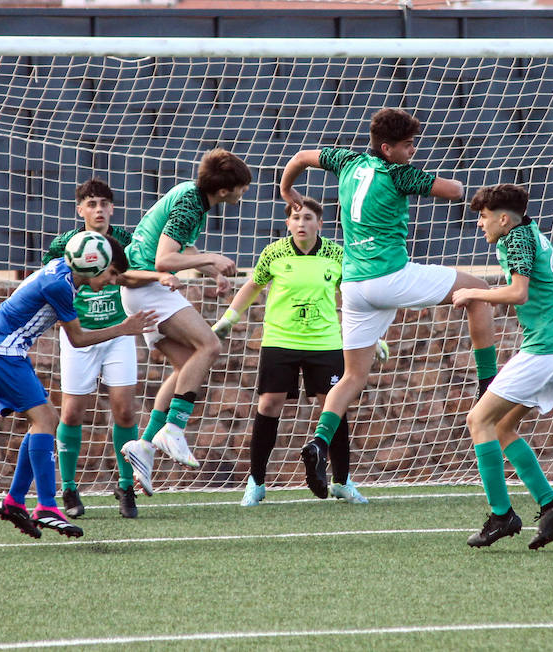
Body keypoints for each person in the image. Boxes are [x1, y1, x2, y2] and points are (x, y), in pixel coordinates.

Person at [280, 107, 498, 499]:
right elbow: (455, 190)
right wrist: (451, 184)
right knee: (478, 292)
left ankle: (318, 443)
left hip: (356, 286)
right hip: (390, 278)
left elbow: (297, 158)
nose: (413, 150)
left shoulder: (346, 159)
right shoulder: (399, 175)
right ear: (387, 147)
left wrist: (288, 191)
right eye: (407, 145)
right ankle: (487, 383)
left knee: (352, 377)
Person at [0, 230, 156, 540]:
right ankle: (46, 505)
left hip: (6, 350)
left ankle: (15, 500)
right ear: (93, 266)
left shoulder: (63, 271)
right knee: (47, 420)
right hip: (1, 352)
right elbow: (79, 338)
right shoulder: (60, 285)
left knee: (43, 421)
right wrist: (125, 328)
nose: (113, 280)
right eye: (111, 273)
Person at [212, 196, 367, 506]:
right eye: (296, 218)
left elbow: (353, 296)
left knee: (333, 406)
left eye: (308, 218)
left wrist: (373, 335)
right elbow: (252, 286)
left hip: (325, 342)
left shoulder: (338, 255)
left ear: (320, 223)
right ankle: (255, 483)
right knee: (269, 405)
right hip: (279, 340)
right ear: (287, 223)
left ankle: (342, 481)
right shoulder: (274, 253)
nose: (301, 223)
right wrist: (228, 318)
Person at [44, 178, 180, 520]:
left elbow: (134, 273)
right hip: (82, 336)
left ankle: (124, 485)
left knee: (125, 411)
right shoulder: (65, 244)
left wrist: (158, 277)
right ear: (80, 210)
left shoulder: (125, 240)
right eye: (91, 204)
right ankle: (70, 487)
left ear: (113, 208)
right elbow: (51, 283)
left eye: (104, 203)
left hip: (120, 333)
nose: (98, 209)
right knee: (72, 413)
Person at [118, 148, 252, 493]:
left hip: (143, 289)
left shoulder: (190, 196)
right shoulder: (191, 204)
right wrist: (213, 257)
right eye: (242, 187)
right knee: (209, 345)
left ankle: (144, 446)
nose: (244, 192)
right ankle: (174, 429)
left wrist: (210, 272)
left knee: (186, 368)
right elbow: (165, 259)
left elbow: (184, 251)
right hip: (149, 286)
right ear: (224, 190)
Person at [452, 184, 553, 549]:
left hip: (545, 351)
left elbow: (518, 292)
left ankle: (501, 515)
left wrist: (474, 292)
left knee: (478, 420)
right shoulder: (532, 233)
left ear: (503, 219)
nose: (480, 224)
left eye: (484, 216)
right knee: (503, 425)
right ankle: (551, 504)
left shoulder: (516, 240)